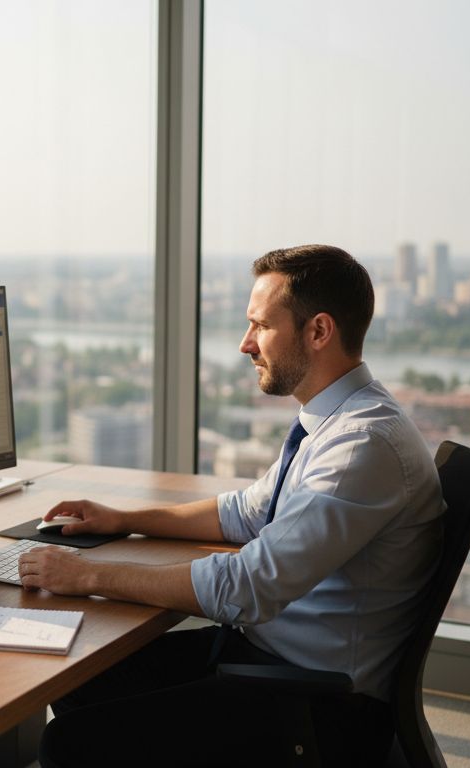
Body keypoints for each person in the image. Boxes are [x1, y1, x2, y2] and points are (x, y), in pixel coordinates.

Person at [23, 244, 444, 767]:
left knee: (69, 745)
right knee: (80, 676)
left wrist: (88, 576)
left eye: (261, 326)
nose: (246, 344)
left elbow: (248, 586)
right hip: (271, 658)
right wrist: (123, 520)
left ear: (318, 332)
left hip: (319, 706)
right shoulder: (335, 420)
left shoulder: (362, 445)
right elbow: (246, 512)